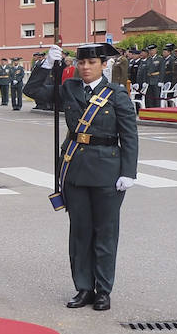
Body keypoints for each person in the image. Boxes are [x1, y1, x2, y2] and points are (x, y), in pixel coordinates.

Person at [24, 43, 138, 311]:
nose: (85, 68)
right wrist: (45, 66)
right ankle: (84, 288)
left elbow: (129, 135)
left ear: (103, 65)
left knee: (105, 233)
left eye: (92, 63)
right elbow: (32, 91)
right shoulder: (69, 89)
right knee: (80, 233)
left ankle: (103, 290)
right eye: (81, 63)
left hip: (107, 172)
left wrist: (128, 172)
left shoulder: (116, 94)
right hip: (74, 170)